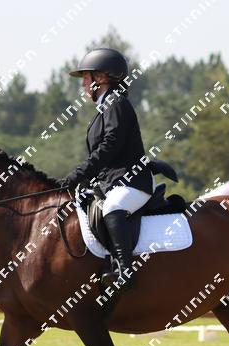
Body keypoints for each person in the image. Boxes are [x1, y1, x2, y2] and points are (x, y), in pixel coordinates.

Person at [59, 48, 153, 290]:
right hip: (113, 181)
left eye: (85, 78)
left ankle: (125, 270)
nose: (83, 84)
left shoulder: (115, 103)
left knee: (112, 208)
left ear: (100, 77)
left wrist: (80, 173)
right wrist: (86, 180)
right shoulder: (105, 107)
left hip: (132, 182)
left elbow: (110, 145)